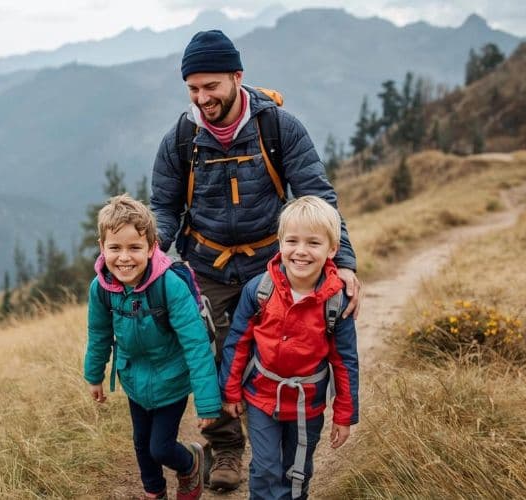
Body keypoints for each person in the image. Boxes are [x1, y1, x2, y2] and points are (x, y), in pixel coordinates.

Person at [150, 29, 363, 490]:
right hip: (205, 265)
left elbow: (317, 197)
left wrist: (343, 261)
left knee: (274, 347)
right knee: (212, 355)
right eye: (193, 88)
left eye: (211, 86)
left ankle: (278, 437)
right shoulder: (181, 139)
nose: (202, 98)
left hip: (271, 264)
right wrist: (151, 250)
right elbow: (164, 206)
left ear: (237, 77)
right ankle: (226, 447)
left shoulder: (278, 128)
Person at [219, 195, 360, 500]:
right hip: (261, 397)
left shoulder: (337, 302)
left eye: (313, 243)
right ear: (280, 243)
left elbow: (345, 361)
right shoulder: (259, 290)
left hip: (307, 404)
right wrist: (230, 391)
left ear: (332, 249)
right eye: (292, 241)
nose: (301, 251)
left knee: (297, 470)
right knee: (265, 468)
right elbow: (238, 342)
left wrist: (344, 415)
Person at [83, 194, 221, 500]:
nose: (124, 258)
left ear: (151, 246)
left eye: (134, 247)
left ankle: (190, 463)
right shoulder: (102, 288)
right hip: (134, 378)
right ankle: (154, 493)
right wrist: (94, 375)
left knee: (160, 447)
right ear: (102, 247)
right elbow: (99, 333)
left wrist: (207, 401)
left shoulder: (169, 285)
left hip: (171, 380)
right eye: (115, 248)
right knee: (141, 445)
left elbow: (196, 344)